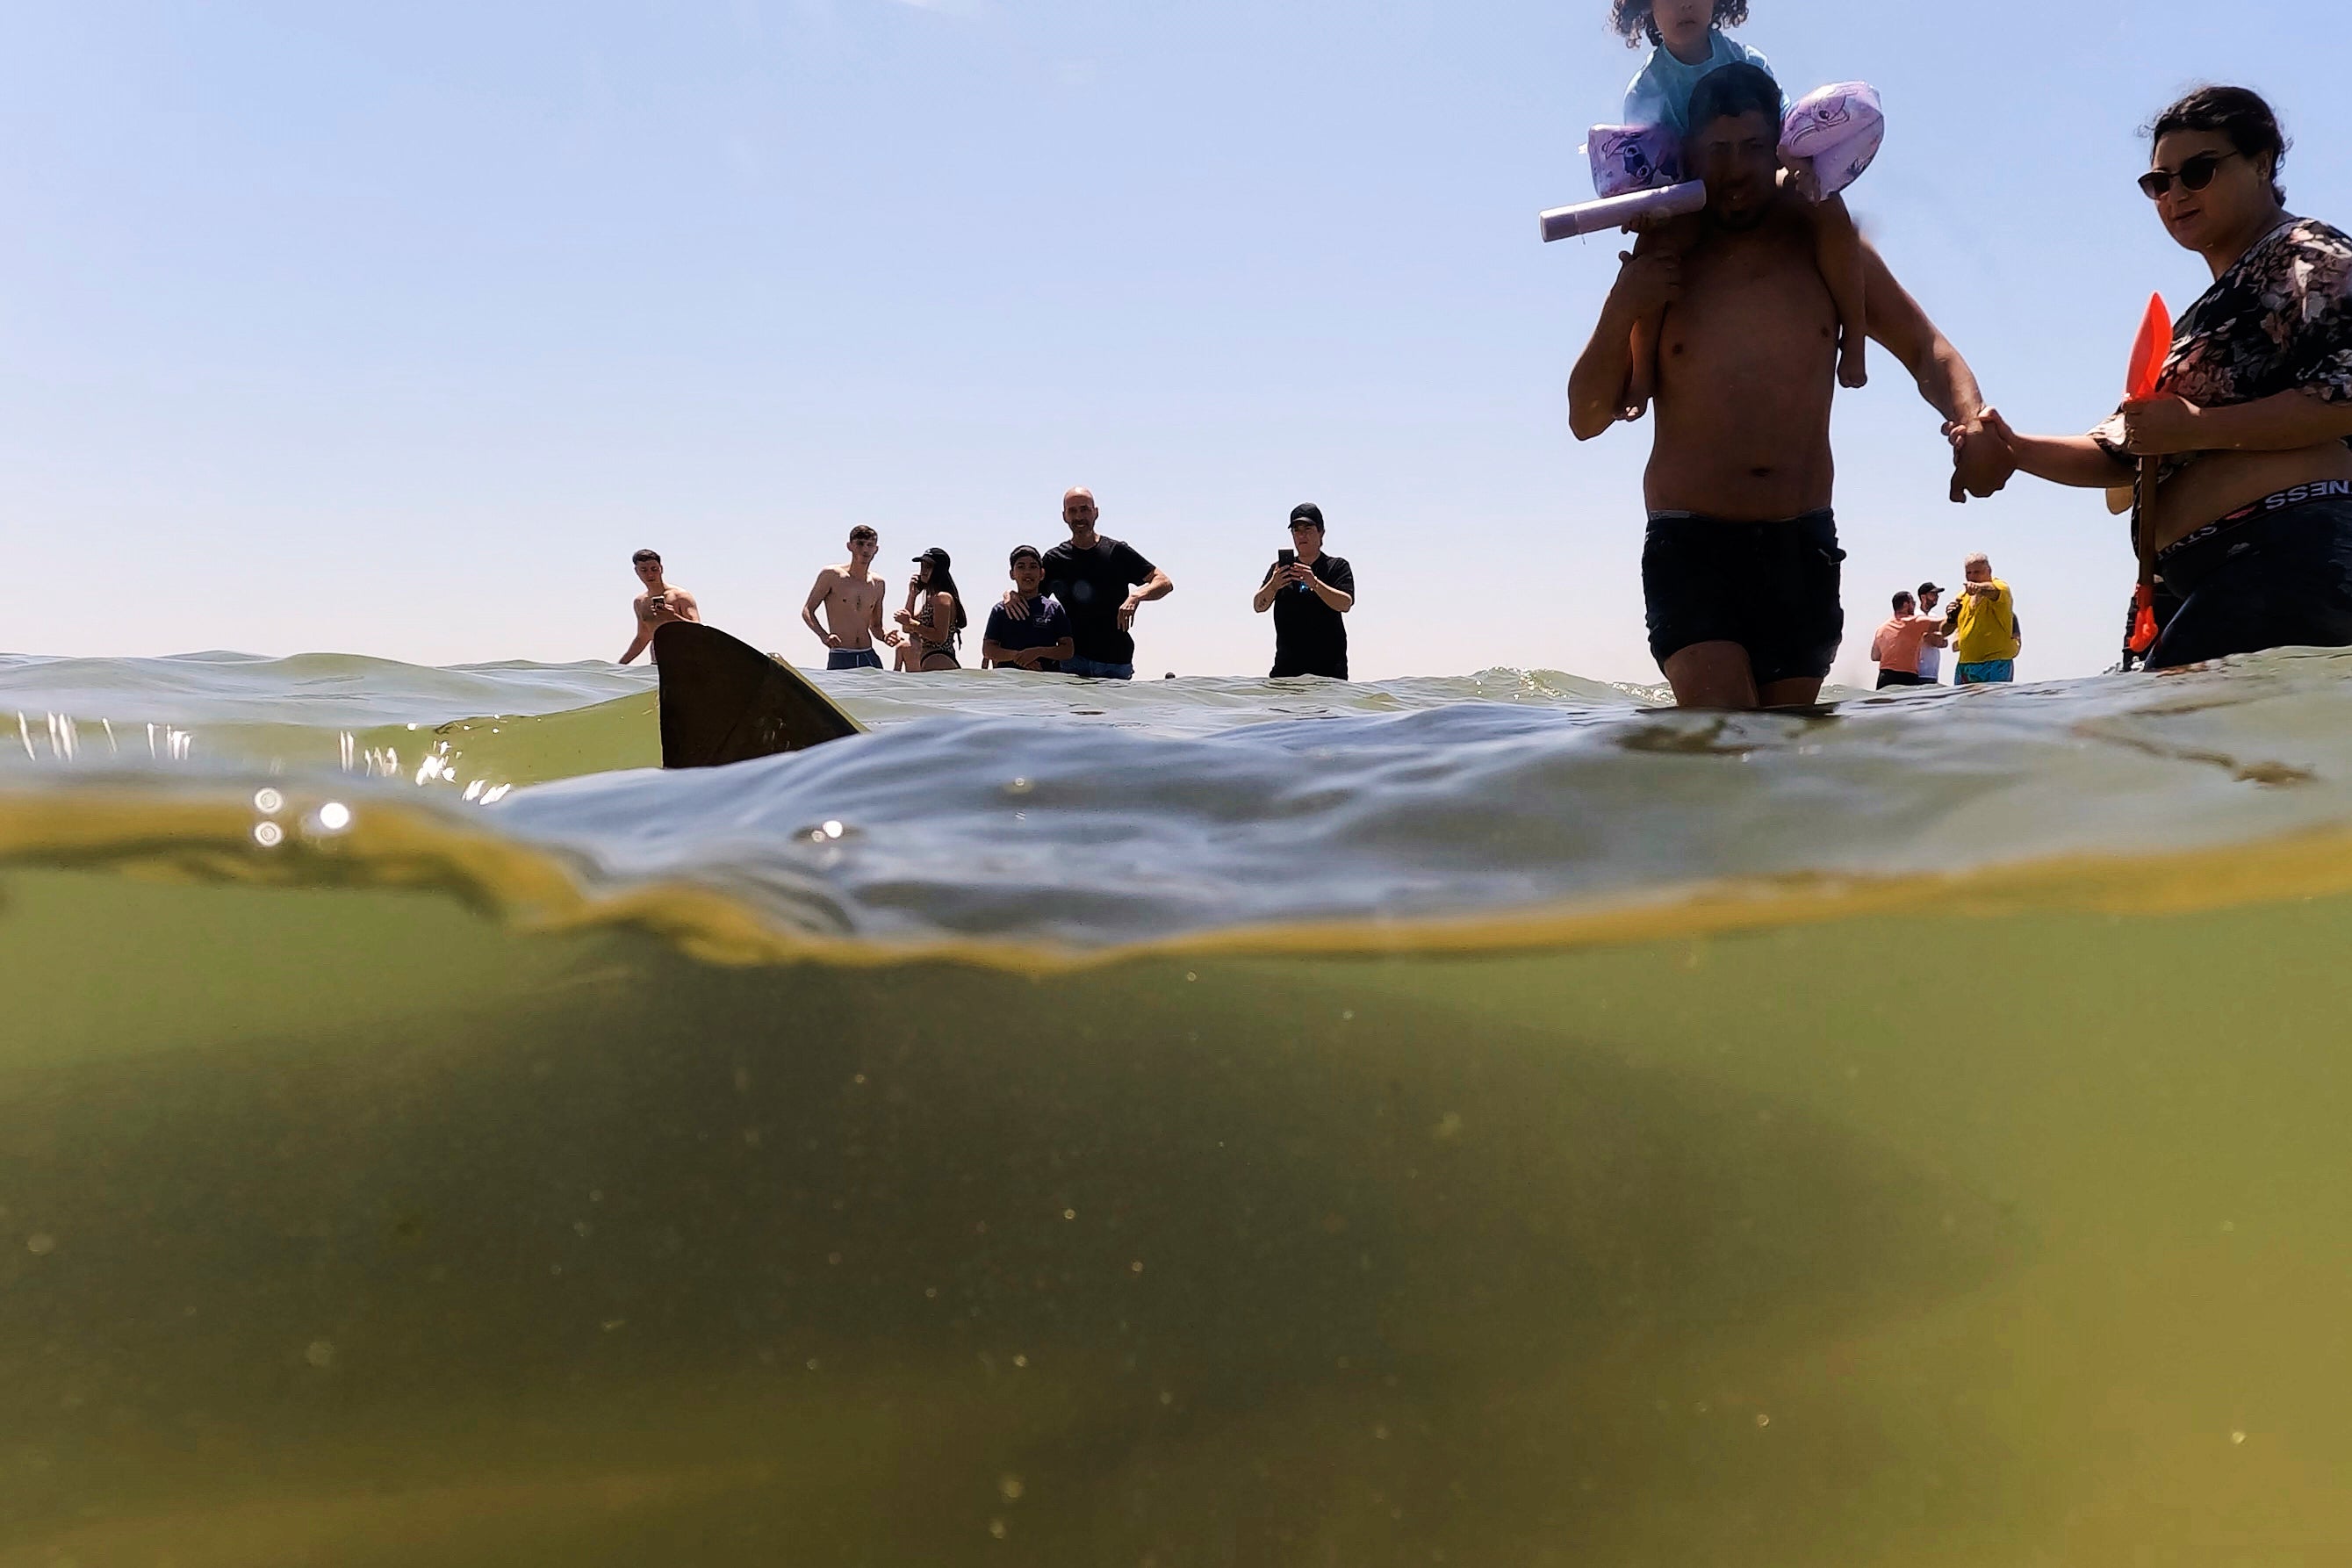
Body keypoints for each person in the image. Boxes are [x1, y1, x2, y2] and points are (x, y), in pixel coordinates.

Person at [1566, 63, 2001, 710]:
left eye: (1751, 148)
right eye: (1717, 149)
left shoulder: (1822, 243)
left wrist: (1971, 418)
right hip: (1691, 544)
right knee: (1722, 734)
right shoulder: (1667, 255)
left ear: (1782, 145)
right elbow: (1586, 415)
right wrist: (1620, 306)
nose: (1735, 170)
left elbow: (1926, 348)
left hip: (1802, 545)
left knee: (1782, 760)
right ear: (1689, 151)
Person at [1956, 87, 2352, 669]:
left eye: (2197, 171)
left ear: (2261, 162)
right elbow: (2122, 451)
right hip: (2188, 584)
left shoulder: (2308, 256)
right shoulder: (2205, 319)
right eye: (2158, 182)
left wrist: (2195, 426)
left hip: (2287, 556)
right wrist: (2011, 448)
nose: (2175, 194)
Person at [1607, 0, 1871, 414]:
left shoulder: (1747, 60)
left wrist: (1801, 169)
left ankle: (1855, 336)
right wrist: (1642, 212)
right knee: (1652, 251)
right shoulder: (1646, 91)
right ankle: (1642, 377)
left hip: (1760, 181)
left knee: (1829, 205)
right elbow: (1644, 166)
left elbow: (1785, 131)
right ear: (1645, 7)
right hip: (1689, 194)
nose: (1686, 4)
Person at [1002, 487, 1175, 680]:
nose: (1079, 516)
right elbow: (1030, 594)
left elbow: (1163, 582)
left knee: (1114, 712)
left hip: (1115, 661)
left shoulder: (1117, 552)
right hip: (1072, 661)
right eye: (1072, 511)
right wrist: (1010, 595)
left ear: (1096, 512)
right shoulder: (1055, 559)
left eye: (1084, 509)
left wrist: (1136, 596)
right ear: (1064, 516)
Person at [1251, 503, 1356, 680]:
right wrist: (1274, 585)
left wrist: (1314, 583)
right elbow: (1258, 606)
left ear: (1321, 532)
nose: (1302, 535)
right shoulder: (1279, 570)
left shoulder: (1337, 566)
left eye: (1308, 529)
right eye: (1296, 530)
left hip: (1329, 673)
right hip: (1286, 672)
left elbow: (1345, 604)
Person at [800, 526, 899, 672]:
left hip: (868, 654)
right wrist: (824, 636)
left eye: (869, 545)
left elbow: (876, 626)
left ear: (876, 549)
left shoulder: (878, 583)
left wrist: (886, 637)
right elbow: (808, 610)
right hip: (841, 654)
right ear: (850, 546)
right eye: (860, 544)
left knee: (877, 694)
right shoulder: (832, 575)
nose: (865, 549)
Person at [981, 546, 1075, 672]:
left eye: (1033, 567)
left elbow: (1067, 650)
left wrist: (1038, 652)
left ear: (1042, 574)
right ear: (1012, 574)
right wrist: (1018, 657)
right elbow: (988, 650)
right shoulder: (1001, 610)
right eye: (1020, 567)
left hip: (1045, 682)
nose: (1027, 572)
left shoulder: (1054, 609)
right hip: (1008, 682)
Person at [1939, 552, 2019, 685]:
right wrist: (1951, 618)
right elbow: (1944, 632)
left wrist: (1978, 588)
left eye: (1977, 572)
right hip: (1966, 664)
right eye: (1969, 573)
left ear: (1989, 571)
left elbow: (1992, 591)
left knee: (1993, 704)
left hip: (1996, 662)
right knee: (1965, 704)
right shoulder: (1962, 596)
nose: (1972, 577)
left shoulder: (2000, 587)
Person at [619, 549, 701, 664]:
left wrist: (673, 616)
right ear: (636, 571)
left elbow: (698, 629)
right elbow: (642, 637)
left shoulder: (680, 596)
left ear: (661, 569)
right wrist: (620, 665)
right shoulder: (640, 602)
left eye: (654, 569)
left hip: (685, 659)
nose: (650, 574)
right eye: (644, 570)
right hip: (658, 662)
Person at [895, 547, 966, 671]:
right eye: (922, 566)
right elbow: (906, 628)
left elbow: (939, 636)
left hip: (939, 659)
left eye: (928, 566)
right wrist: (912, 595)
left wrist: (911, 622)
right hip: (931, 660)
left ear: (939, 570)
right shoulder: (930, 599)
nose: (923, 570)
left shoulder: (942, 598)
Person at [1868, 591, 1942, 689]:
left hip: (1885, 677)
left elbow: (1875, 656)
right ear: (1906, 604)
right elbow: (1941, 624)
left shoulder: (1882, 628)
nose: (1915, 606)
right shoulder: (1915, 622)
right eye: (1913, 603)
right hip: (1907, 677)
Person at [1914, 581, 1946, 683]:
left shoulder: (1934, 616)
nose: (1936, 597)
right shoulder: (1916, 615)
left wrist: (1938, 638)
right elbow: (1931, 640)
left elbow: (1944, 642)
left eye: (1937, 594)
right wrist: (1937, 637)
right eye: (1933, 594)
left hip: (1932, 673)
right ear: (1923, 597)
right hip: (1919, 672)